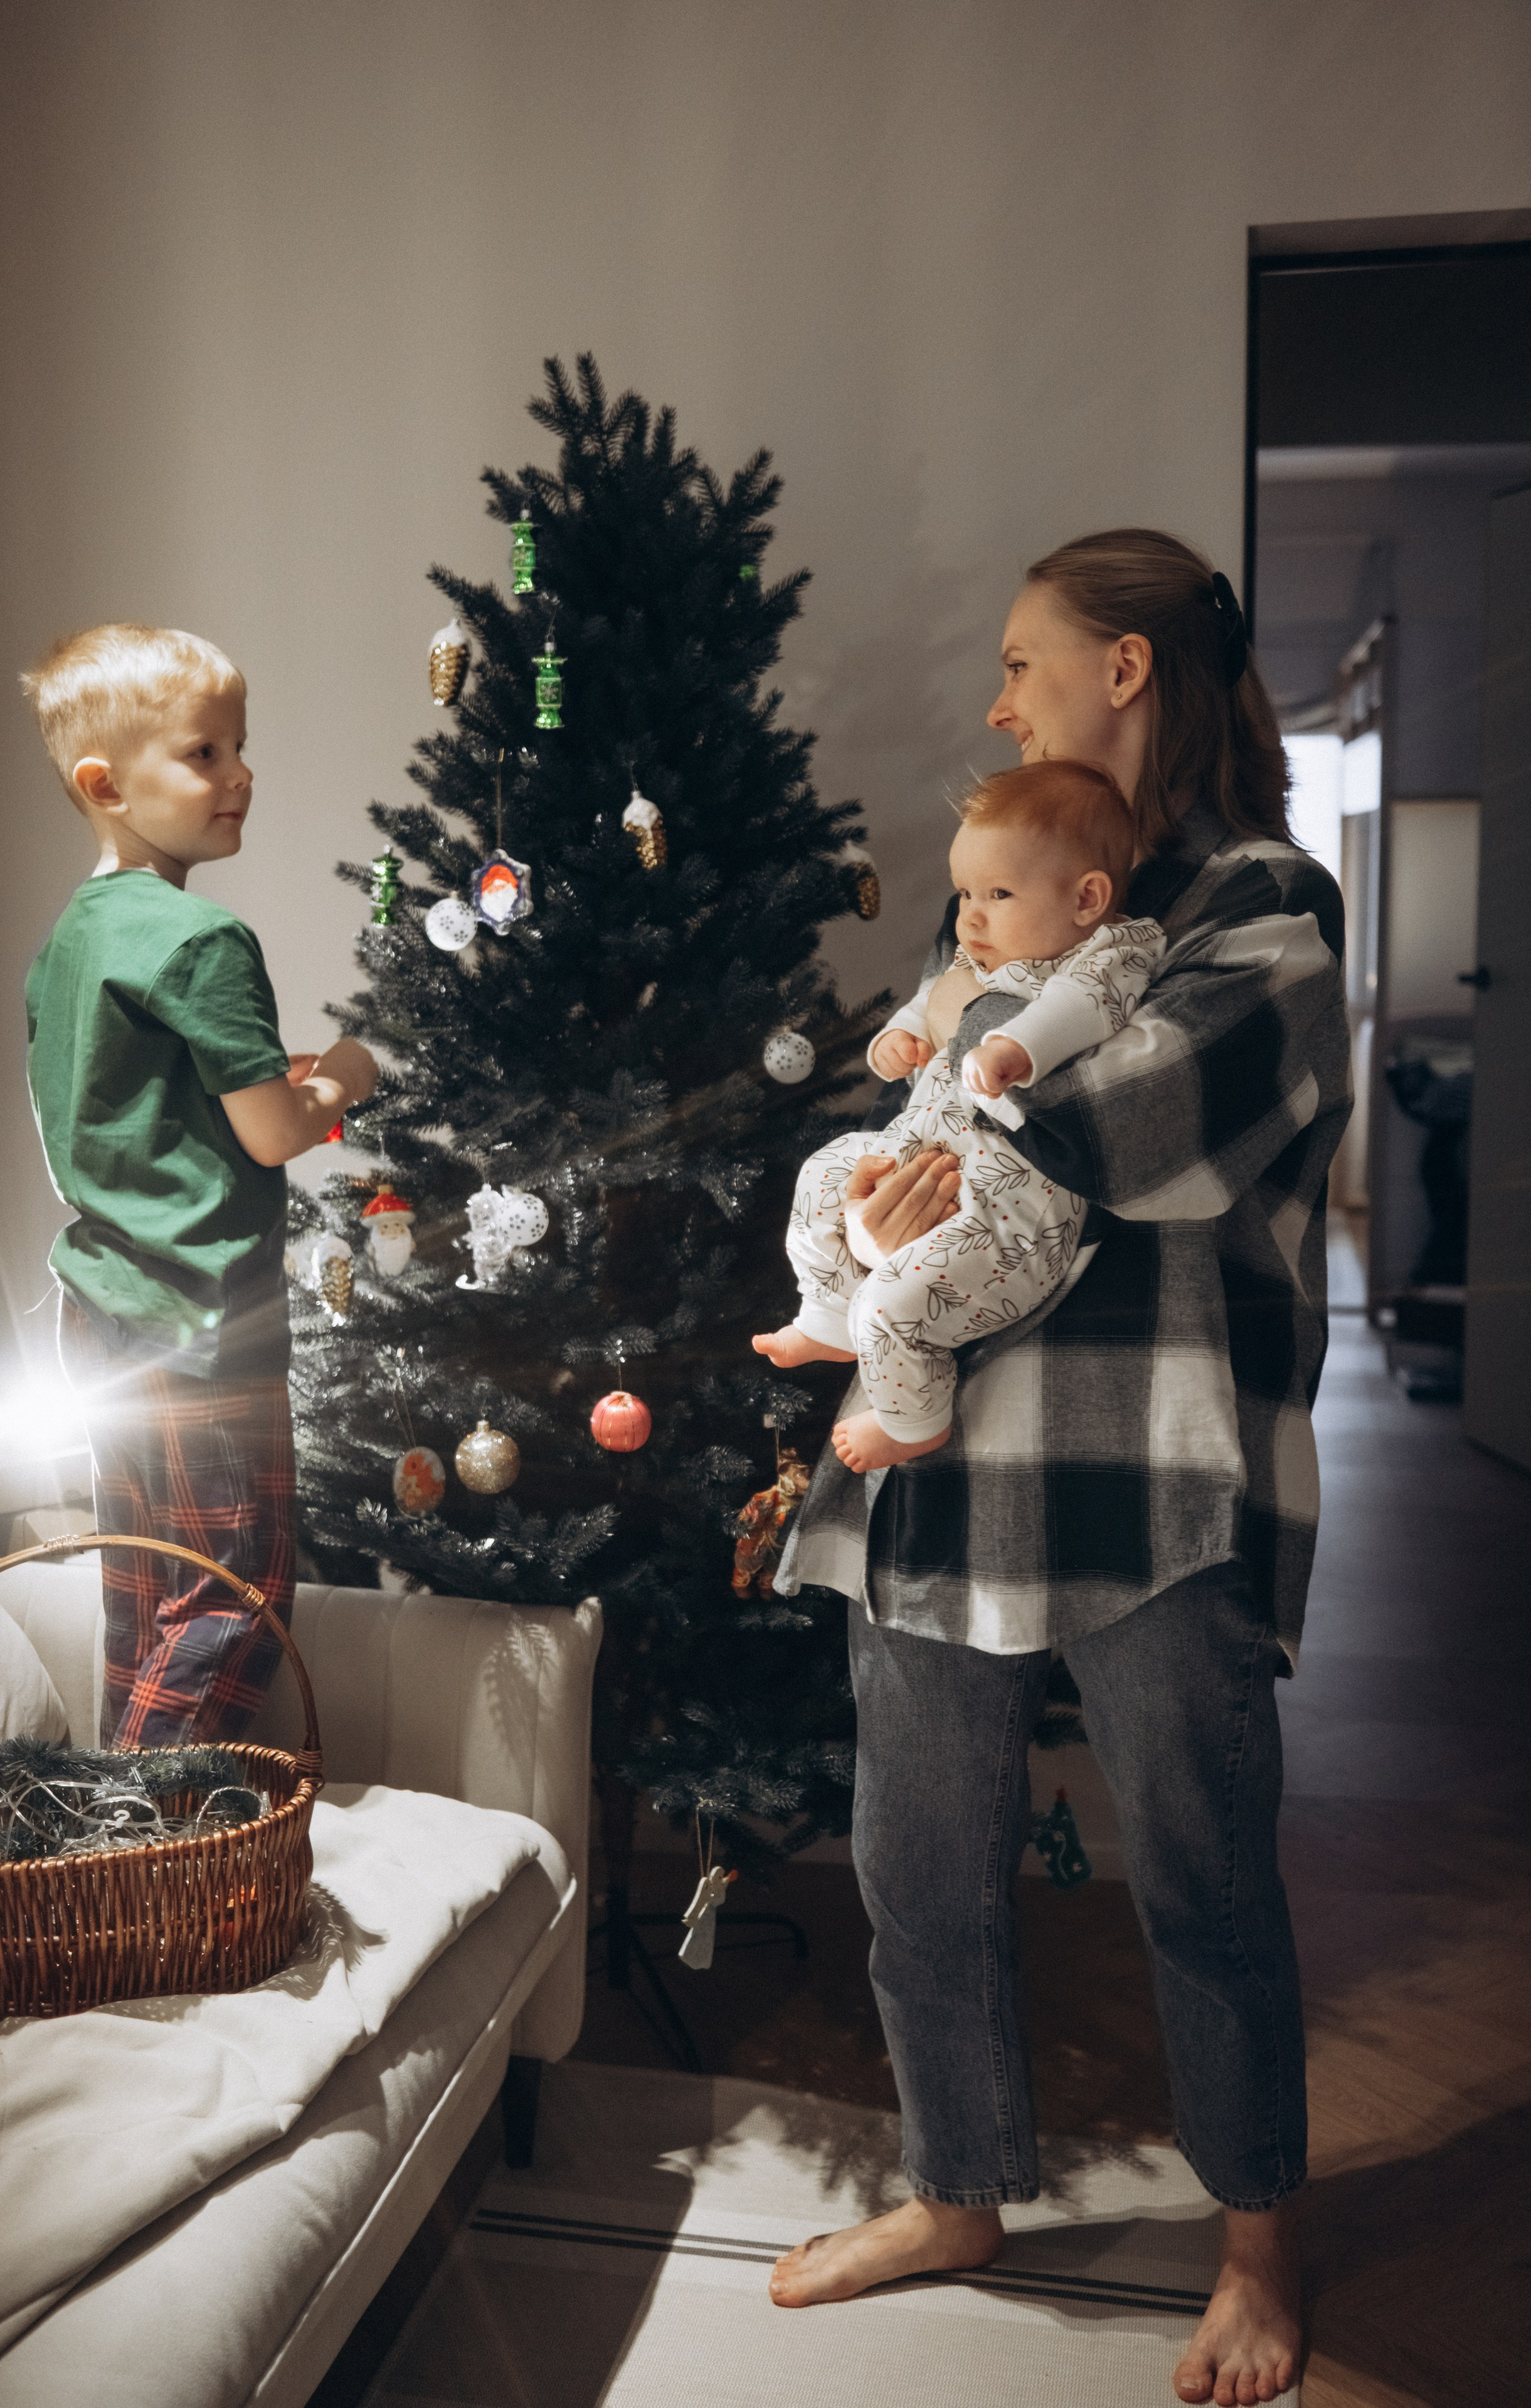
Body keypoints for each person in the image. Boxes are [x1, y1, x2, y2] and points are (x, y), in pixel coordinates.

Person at [770, 531, 1351, 2408]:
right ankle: (955, 2188)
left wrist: (969, 1103)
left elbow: (1147, 1127)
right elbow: (930, 1106)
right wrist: (906, 1158)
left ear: (1124, 666)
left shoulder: (1258, 898)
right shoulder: (1014, 881)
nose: (998, 698)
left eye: (1024, 661)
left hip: (1146, 1472)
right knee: (914, 1867)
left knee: (1201, 1871)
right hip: (944, 1461)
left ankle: (1258, 2242)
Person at [21, 623, 378, 1748]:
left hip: (101, 1313)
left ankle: (112, 1882)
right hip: (202, 1320)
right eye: (204, 754)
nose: (241, 776)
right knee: (234, 1592)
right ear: (106, 785)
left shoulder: (69, 942)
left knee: (143, 1588)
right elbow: (273, 1135)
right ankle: (129, 1834)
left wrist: (272, 1088)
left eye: (240, 747)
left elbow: (142, 1113)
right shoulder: (201, 938)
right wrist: (347, 1079)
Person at [754, 761, 1164, 1470]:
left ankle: (913, 1420)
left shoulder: (1108, 952)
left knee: (890, 1303)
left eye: (998, 893)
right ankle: (824, 1316)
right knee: (824, 1171)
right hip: (923, 1157)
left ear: (1086, 897)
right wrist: (900, 1037)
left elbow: (1081, 1009)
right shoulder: (981, 958)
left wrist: (1015, 1048)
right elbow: (932, 1002)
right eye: (964, 891)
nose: (969, 915)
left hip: (1005, 1220)